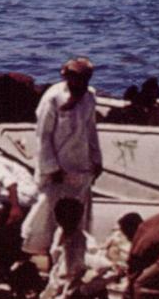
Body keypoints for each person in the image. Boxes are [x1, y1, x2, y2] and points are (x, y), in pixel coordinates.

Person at [20, 57, 103, 257]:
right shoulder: (53, 98)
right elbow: (43, 136)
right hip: (57, 170)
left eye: (85, 79)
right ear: (67, 78)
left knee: (78, 215)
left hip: (80, 165)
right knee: (48, 214)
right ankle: (41, 253)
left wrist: (97, 159)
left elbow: (91, 129)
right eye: (77, 79)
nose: (81, 84)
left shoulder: (89, 97)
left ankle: (72, 254)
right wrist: (52, 168)